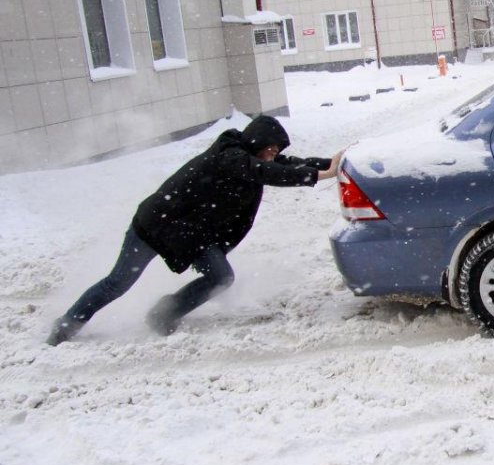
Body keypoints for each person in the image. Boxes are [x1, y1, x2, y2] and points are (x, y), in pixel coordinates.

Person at [47, 115, 343, 345]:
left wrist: (330, 162)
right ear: (256, 142)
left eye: (275, 151)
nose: (273, 155)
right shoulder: (230, 157)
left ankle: (163, 314)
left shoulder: (251, 156)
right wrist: (318, 175)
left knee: (221, 277)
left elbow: (283, 163)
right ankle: (65, 326)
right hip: (155, 225)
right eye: (270, 149)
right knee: (118, 282)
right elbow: (266, 171)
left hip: (190, 234)